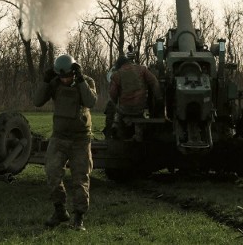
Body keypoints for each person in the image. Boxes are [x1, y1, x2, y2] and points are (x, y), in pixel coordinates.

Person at [34, 54, 97, 231]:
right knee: (52, 172)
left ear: (74, 72)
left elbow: (91, 101)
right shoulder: (55, 83)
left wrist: (82, 81)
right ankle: (60, 210)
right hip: (59, 137)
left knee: (80, 178)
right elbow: (37, 101)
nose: (64, 79)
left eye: (67, 76)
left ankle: (79, 217)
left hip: (80, 139)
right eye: (61, 76)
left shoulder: (87, 82)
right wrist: (46, 82)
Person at [109, 53, 163, 141]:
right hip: (139, 107)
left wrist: (115, 102)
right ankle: (138, 134)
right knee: (139, 116)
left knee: (118, 113)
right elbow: (154, 82)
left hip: (124, 108)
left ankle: (115, 125)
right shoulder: (142, 69)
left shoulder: (117, 74)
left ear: (119, 65)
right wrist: (159, 98)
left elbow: (113, 93)